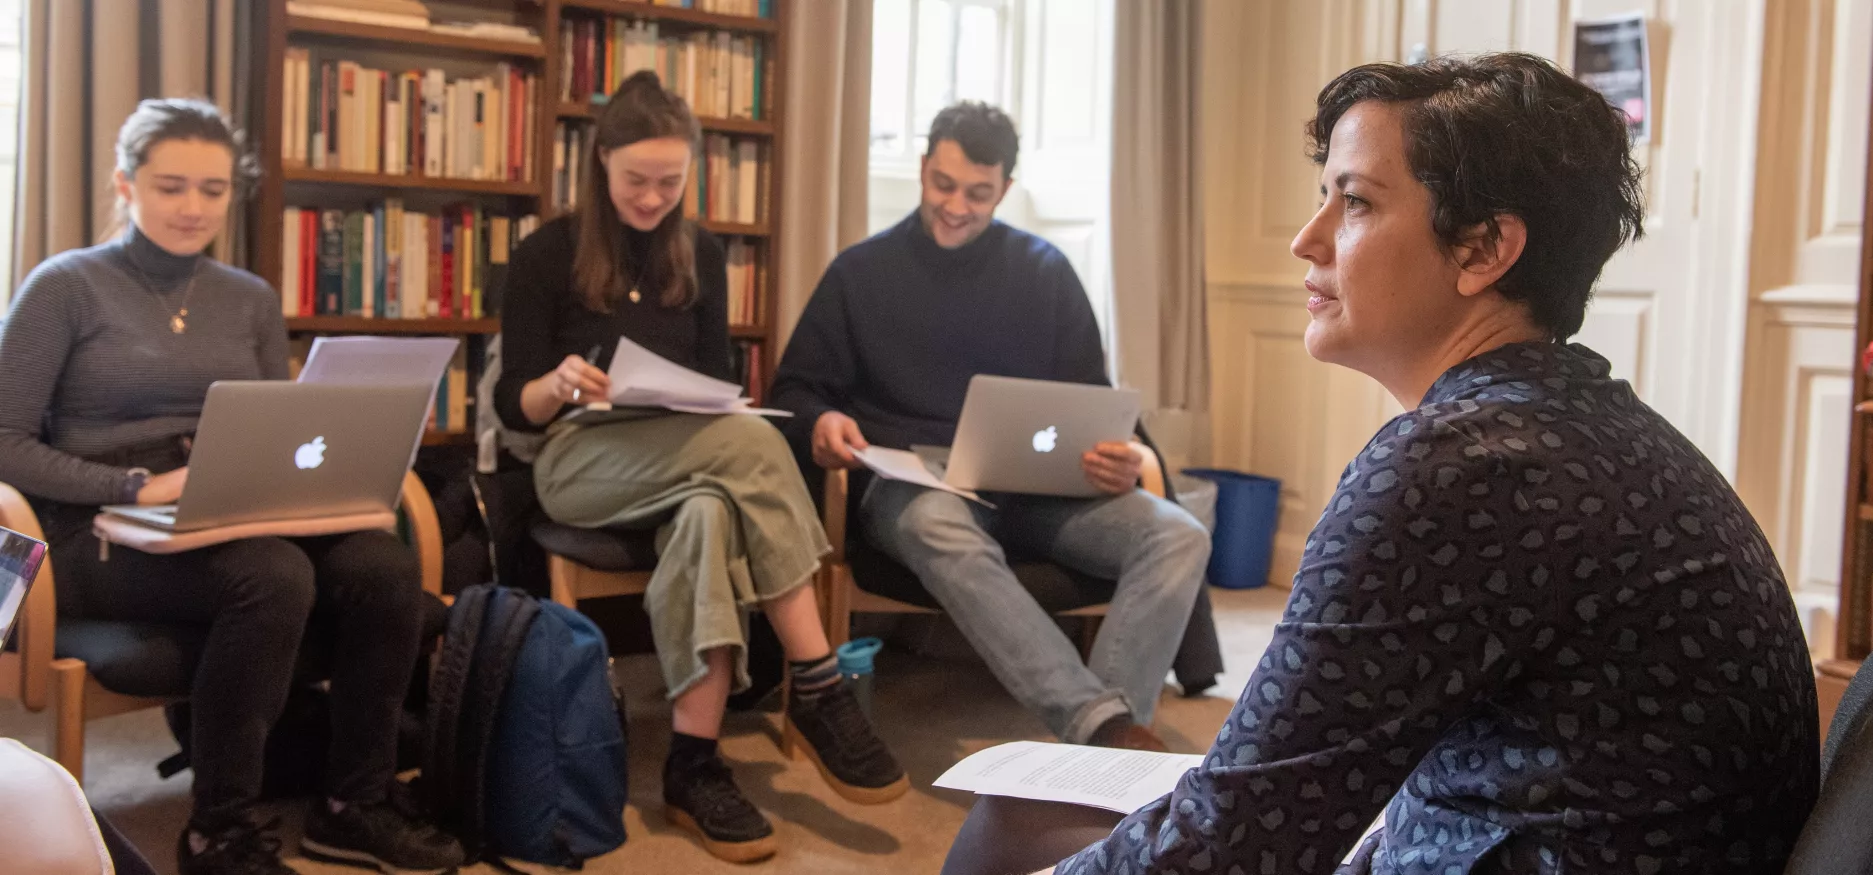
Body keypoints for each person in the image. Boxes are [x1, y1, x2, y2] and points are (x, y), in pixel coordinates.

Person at [941, 53, 1821, 875]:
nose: (1306, 238)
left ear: (1483, 249)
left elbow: (1240, 840)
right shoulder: (1580, 419)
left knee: (1002, 834)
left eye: (1354, 202)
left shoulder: (1456, 467)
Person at [0, 99, 464, 875]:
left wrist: (312, 480)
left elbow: (268, 426)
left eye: (212, 190)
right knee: (271, 575)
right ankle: (220, 830)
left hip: (224, 499)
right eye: (171, 185)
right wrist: (138, 483)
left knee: (382, 565)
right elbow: (5, 446)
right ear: (126, 183)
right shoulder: (64, 287)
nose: (192, 207)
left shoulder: (245, 295)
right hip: (94, 523)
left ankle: (354, 803)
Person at [492, 71, 905, 864]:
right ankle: (815, 681)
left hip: (688, 453)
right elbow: (516, 403)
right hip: (579, 460)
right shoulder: (547, 251)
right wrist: (559, 382)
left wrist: (704, 402)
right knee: (751, 447)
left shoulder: (703, 253)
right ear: (600, 162)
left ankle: (692, 762)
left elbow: (715, 382)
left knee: (711, 512)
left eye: (670, 182)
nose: (652, 199)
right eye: (636, 181)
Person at [771, 102, 1212, 752]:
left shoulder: (1045, 271)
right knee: (934, 522)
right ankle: (1105, 731)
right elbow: (795, 391)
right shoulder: (861, 272)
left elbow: (1091, 398)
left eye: (978, 193)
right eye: (942, 185)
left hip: (1037, 492)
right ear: (923, 169)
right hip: (915, 485)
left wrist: (1120, 455)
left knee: (1179, 535)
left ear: (1005, 187)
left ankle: (1102, 749)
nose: (956, 205)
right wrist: (824, 419)